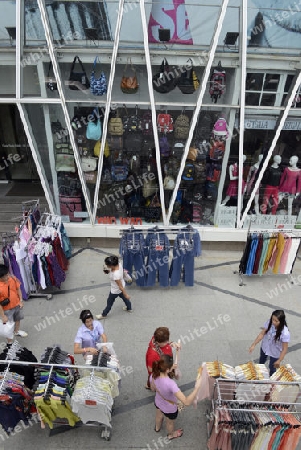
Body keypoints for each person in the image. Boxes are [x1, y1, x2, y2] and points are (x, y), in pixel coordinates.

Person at [150, 354, 201, 440]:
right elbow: (186, 402)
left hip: (158, 401)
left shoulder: (153, 374)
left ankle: (157, 428)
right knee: (169, 423)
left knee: (158, 415)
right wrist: (197, 388)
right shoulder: (171, 384)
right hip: (170, 408)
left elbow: (152, 388)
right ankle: (171, 435)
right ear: (167, 370)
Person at [249, 309, 290, 375]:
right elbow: (262, 334)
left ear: (281, 321)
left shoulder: (285, 333)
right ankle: (260, 375)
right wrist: (254, 344)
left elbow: (284, 349)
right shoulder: (269, 323)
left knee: (272, 367)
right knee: (261, 362)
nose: (273, 322)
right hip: (265, 347)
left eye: (276, 321)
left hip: (275, 352)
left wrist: (279, 360)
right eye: (272, 319)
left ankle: (271, 379)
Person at [0, 264, 28, 342]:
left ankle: (16, 331)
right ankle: (10, 342)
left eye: (7, 274)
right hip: (6, 309)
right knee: (9, 325)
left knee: (17, 319)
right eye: (4, 277)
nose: (6, 277)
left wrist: (20, 301)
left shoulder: (12, 278)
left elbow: (18, 289)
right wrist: (3, 316)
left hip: (17, 305)